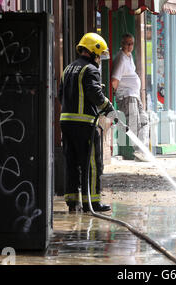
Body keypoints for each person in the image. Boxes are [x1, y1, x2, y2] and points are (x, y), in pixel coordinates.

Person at [58, 33, 115, 212]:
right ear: (93, 51)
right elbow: (94, 94)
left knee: (71, 162)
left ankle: (72, 201)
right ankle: (93, 202)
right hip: (84, 124)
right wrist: (108, 107)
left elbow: (61, 95)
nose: (99, 59)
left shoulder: (68, 68)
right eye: (99, 55)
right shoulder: (90, 69)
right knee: (91, 163)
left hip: (66, 122)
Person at [111, 34, 150, 162]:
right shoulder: (121, 59)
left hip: (134, 95)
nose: (129, 46)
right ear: (122, 44)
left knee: (144, 121)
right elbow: (114, 81)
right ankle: (138, 152)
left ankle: (141, 151)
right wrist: (116, 96)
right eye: (127, 43)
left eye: (131, 43)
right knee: (134, 124)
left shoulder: (129, 56)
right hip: (127, 96)